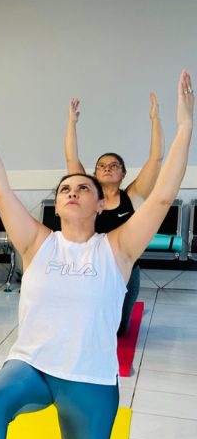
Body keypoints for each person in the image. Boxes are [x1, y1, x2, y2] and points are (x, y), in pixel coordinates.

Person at [0, 72, 193, 439]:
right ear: (57, 204)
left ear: (99, 204)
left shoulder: (118, 248)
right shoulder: (36, 243)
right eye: (65, 189)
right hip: (33, 366)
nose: (73, 192)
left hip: (90, 379)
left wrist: (185, 127)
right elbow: (1, 190)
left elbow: (164, 194)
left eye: (83, 188)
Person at [64, 93, 163, 335]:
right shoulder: (87, 195)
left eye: (113, 166)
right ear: (95, 174)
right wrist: (71, 123)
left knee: (119, 330)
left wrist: (155, 120)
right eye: (101, 166)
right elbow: (71, 158)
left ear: (123, 173)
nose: (107, 169)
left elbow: (156, 159)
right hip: (91, 269)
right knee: (88, 326)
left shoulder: (133, 196)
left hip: (126, 271)